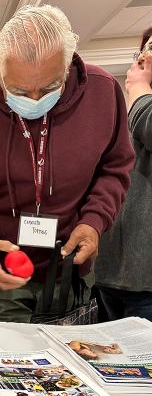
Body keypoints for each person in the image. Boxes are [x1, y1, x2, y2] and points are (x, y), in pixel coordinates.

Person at [0, 5, 134, 322]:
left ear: (69, 66)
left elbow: (115, 168)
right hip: (3, 264)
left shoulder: (103, 92)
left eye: (48, 88)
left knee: (72, 359)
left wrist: (95, 220)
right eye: (17, 90)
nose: (33, 101)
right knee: (8, 359)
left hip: (71, 261)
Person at [95, 27, 152, 322]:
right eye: (145, 48)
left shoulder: (140, 102)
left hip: (145, 279)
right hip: (112, 269)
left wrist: (140, 91)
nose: (145, 56)